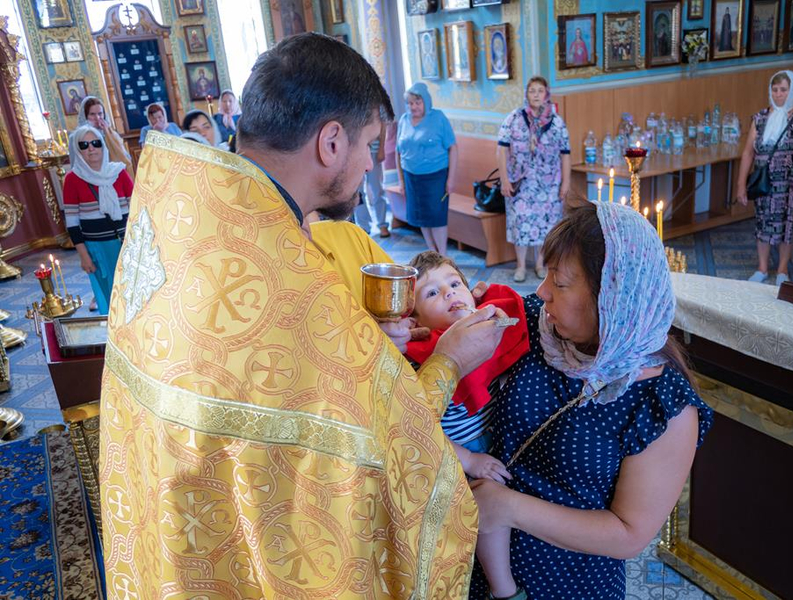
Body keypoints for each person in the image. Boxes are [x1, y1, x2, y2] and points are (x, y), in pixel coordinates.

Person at [99, 32, 507, 598]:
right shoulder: (285, 274)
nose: (372, 161)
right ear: (331, 141)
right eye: (370, 142)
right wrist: (448, 361)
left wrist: (362, 344)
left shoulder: (189, 214)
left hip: (173, 528)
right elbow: (379, 437)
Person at [468, 202, 714, 599]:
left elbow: (629, 533)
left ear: (612, 296)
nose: (542, 291)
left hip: (569, 582)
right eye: (547, 275)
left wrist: (509, 508)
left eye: (561, 283)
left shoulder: (662, 405)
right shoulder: (537, 326)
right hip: (474, 562)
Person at [404, 251, 529, 600]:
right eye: (431, 293)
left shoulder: (485, 326)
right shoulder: (419, 360)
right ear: (414, 318)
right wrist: (471, 461)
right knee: (488, 512)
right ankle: (502, 588)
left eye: (454, 283)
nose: (448, 293)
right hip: (454, 456)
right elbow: (423, 429)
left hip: (494, 440)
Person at [736, 70, 793, 286]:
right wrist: (740, 184)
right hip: (766, 184)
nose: (779, 94)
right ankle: (762, 268)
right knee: (763, 224)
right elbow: (748, 153)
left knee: (789, 225)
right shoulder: (760, 117)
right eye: (775, 89)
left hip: (791, 185)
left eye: (783, 89)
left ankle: (782, 269)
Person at [497, 76, 571, 282]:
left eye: (540, 90)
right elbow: (501, 149)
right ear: (526, 94)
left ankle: (540, 264)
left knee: (545, 225)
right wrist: (504, 179)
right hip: (520, 182)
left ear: (546, 94)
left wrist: (566, 182)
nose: (536, 95)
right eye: (532, 91)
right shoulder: (514, 118)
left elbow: (565, 153)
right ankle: (520, 266)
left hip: (549, 184)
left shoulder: (556, 122)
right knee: (520, 223)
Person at [62, 125, 131, 315]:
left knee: (134, 292)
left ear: (103, 145)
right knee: (112, 297)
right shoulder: (73, 179)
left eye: (96, 143)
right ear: (78, 150)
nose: (91, 148)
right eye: (84, 145)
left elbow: (137, 208)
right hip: (98, 249)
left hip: (126, 244)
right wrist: (84, 256)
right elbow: (72, 223)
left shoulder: (119, 173)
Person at [396, 82, 457, 255]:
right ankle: (432, 251)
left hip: (436, 176)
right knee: (421, 216)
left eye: (417, 102)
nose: (413, 106)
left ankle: (442, 255)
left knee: (436, 217)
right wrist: (401, 180)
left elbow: (453, 148)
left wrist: (451, 179)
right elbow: (398, 152)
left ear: (426, 101)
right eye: (409, 103)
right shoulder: (404, 120)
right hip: (411, 177)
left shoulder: (438, 118)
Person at [78, 96, 133, 178]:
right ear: (85, 116)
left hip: (115, 174)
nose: (97, 118)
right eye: (92, 114)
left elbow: (123, 158)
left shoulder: (111, 132)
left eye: (100, 113)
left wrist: (107, 132)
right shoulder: (81, 136)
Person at [354, 122, 390, 237]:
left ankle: (382, 224)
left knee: (377, 189)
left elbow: (382, 125)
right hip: (355, 153)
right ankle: (364, 226)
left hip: (374, 151)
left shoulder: (377, 105)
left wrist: (381, 149)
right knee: (357, 192)